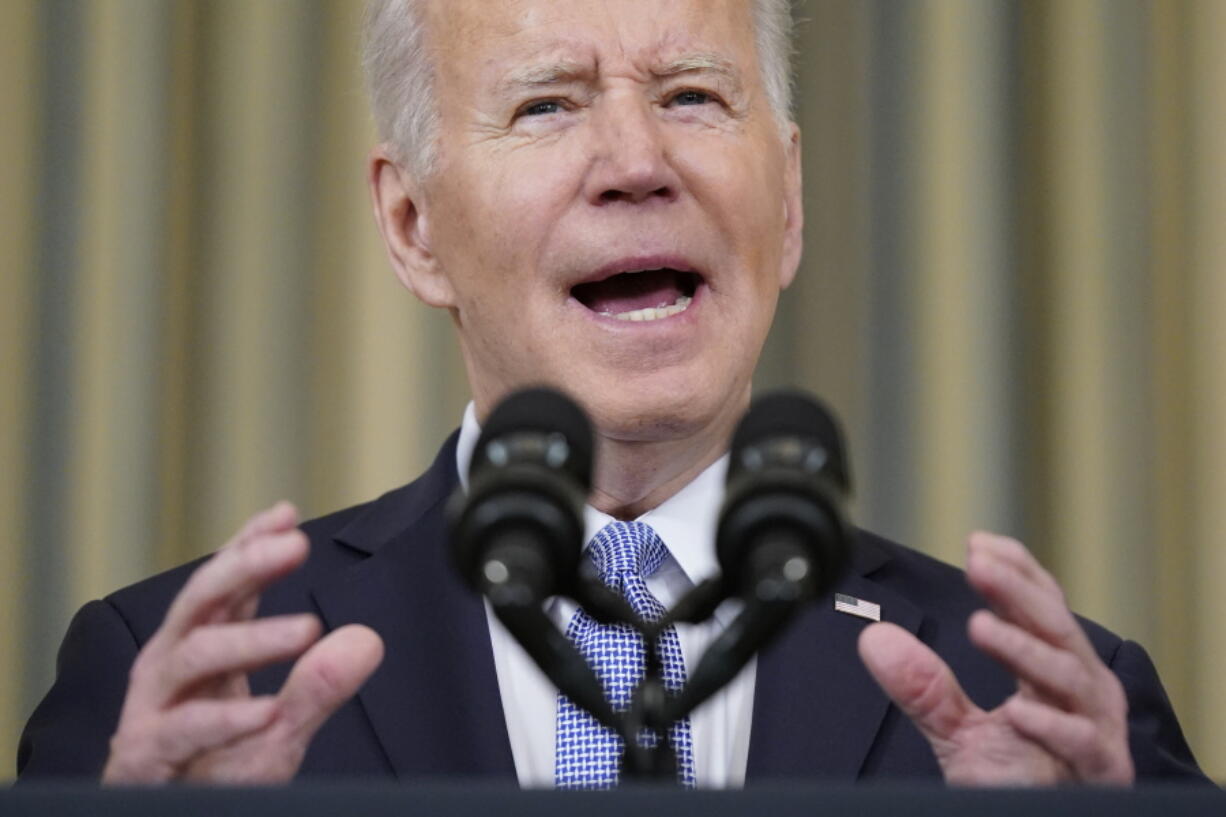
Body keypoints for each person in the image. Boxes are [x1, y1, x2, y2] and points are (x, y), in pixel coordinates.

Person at [17, 0, 1207, 786]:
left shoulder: (1047, 713)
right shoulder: (176, 698)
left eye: (692, 95)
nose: (637, 164)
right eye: (546, 104)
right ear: (411, 222)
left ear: (785, 202)